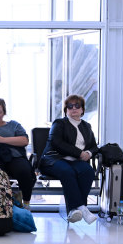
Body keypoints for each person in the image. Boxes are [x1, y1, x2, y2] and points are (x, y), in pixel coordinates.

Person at [40, 94, 98, 224]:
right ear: (66, 110)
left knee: (88, 171)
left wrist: (88, 152)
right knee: (67, 171)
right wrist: (79, 153)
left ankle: (73, 211)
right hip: (54, 159)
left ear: (82, 109)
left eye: (77, 106)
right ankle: (82, 208)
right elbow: (57, 143)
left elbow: (94, 146)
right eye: (70, 106)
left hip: (75, 161)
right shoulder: (59, 123)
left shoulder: (87, 126)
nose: (74, 109)